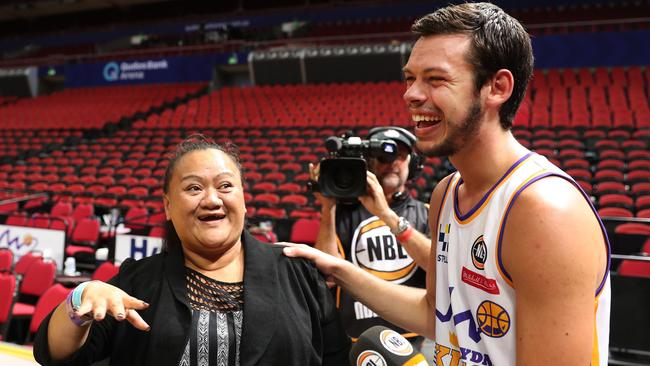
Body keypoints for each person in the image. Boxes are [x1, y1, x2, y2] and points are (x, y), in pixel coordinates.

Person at [284, 3, 611, 366]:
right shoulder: (446, 193)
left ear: (497, 87)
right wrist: (339, 270)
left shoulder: (544, 210)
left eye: (435, 79)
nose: (411, 94)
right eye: (410, 78)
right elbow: (435, 314)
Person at [33, 135, 350, 366]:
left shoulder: (298, 273)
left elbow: (335, 358)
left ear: (243, 198)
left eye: (225, 186)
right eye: (194, 188)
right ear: (168, 206)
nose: (212, 199)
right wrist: (78, 301)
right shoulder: (137, 281)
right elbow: (57, 355)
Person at [310, 126, 432, 344]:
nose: (392, 162)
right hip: (356, 337)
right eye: (383, 156)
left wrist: (385, 214)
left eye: (400, 155)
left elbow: (438, 266)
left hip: (414, 334)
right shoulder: (339, 214)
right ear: (368, 164)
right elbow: (327, 277)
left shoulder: (427, 213)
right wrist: (328, 207)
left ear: (413, 165)